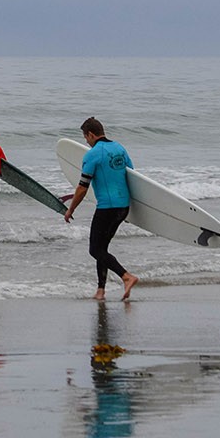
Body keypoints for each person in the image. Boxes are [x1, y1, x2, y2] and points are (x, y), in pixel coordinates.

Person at [63, 116, 138, 301]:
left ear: (90, 134)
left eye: (85, 137)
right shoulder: (119, 148)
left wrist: (71, 209)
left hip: (107, 208)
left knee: (95, 250)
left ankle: (126, 276)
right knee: (102, 249)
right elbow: (133, 177)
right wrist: (134, 212)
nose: (86, 142)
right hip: (123, 207)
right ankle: (100, 291)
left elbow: (82, 187)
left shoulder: (93, 154)